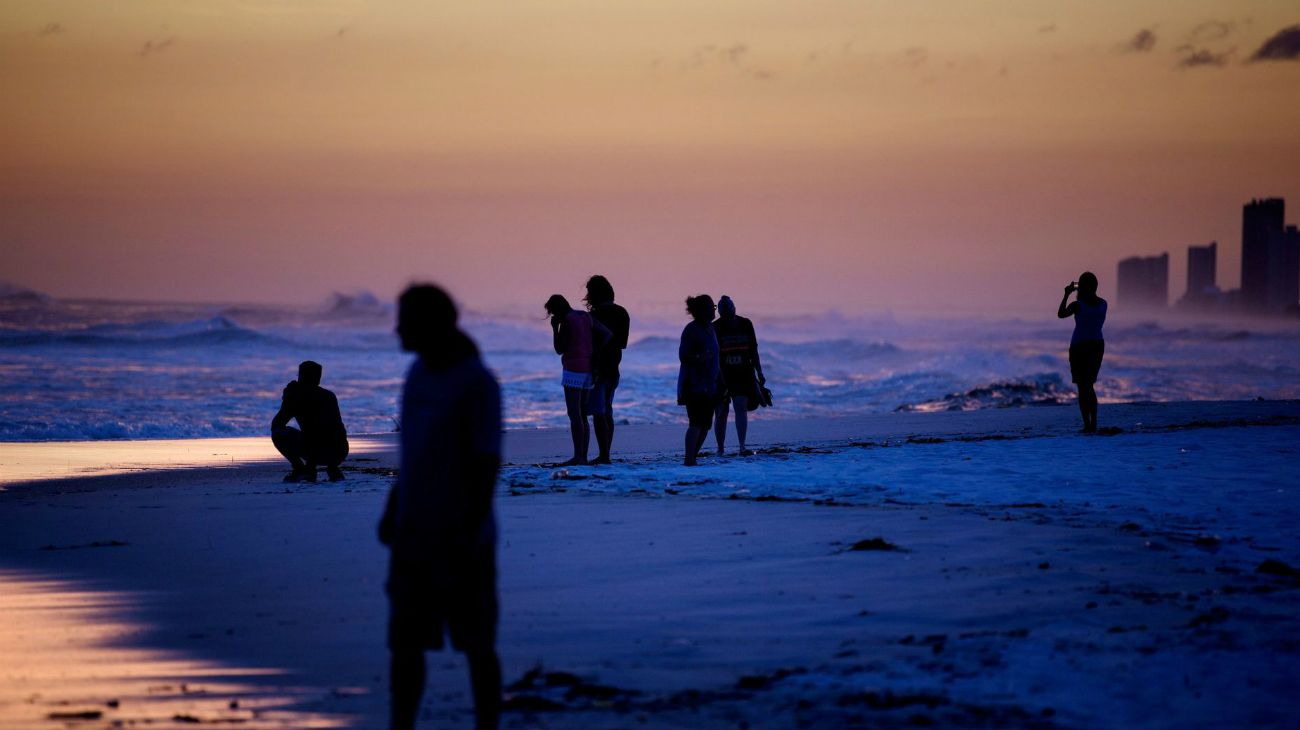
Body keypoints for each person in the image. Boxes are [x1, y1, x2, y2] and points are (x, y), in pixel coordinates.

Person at [379, 284, 502, 730]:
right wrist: (394, 509)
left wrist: (467, 533)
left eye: (405, 318)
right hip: (414, 534)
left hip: (461, 537)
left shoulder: (476, 382)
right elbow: (415, 454)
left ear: (429, 323)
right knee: (406, 644)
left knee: (476, 644)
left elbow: (486, 463)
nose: (397, 327)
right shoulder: (416, 374)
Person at [544, 294, 611, 466]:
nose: (553, 317)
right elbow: (606, 334)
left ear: (557, 311)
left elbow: (559, 349)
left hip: (573, 369)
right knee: (582, 414)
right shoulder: (585, 316)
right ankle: (583, 455)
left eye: (552, 314)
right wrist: (594, 350)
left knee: (574, 414)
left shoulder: (566, 321)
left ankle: (578, 456)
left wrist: (555, 329)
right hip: (588, 367)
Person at [270, 360, 349, 482]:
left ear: (301, 377)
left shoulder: (296, 396)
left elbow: (276, 424)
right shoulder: (329, 395)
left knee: (278, 432)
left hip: (315, 452)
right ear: (318, 379)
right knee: (323, 435)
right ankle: (332, 468)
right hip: (340, 452)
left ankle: (301, 469)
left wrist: (287, 399)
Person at [584, 275, 630, 465]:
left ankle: (604, 455)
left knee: (598, 412)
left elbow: (588, 343)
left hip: (597, 368)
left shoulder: (594, 316)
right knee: (607, 411)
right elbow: (622, 343)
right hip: (614, 367)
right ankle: (606, 453)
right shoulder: (622, 312)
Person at [712, 295, 766, 456]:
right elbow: (714, 355)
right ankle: (720, 448)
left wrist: (759, 371)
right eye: (724, 312)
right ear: (720, 313)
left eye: (729, 311)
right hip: (721, 375)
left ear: (734, 309)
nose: (727, 316)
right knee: (721, 412)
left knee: (740, 407)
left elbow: (753, 350)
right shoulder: (715, 327)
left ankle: (742, 446)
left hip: (743, 373)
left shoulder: (746, 324)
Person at [1057, 272, 1107, 433]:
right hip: (1097, 345)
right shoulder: (1103, 304)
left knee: (1082, 386)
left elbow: (1061, 313)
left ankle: (1087, 425)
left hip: (1079, 346)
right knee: (1089, 386)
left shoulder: (1078, 305)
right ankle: (1094, 424)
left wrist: (1066, 294)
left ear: (1084, 287)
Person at [678, 294, 721, 466]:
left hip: (710, 385)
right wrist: (700, 357)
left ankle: (693, 456)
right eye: (712, 307)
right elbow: (683, 356)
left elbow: (717, 357)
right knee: (695, 423)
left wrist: (720, 379)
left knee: (705, 425)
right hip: (694, 385)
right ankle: (689, 459)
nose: (714, 310)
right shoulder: (691, 329)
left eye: (714, 307)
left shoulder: (710, 328)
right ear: (702, 311)